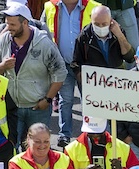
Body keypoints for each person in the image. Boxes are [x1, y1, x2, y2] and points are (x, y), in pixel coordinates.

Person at [0, 2, 65, 148]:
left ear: (25, 22)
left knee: (38, 148)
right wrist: (1, 66)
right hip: (11, 107)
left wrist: (48, 99)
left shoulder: (43, 43)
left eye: (12, 25)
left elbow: (60, 73)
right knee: (11, 146)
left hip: (37, 108)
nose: (8, 28)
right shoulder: (3, 40)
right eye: (7, 24)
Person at [41, 0, 100, 140]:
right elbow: (42, 30)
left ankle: (89, 135)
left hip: (86, 64)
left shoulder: (95, 7)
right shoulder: (50, 6)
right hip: (62, 63)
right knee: (65, 100)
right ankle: (64, 135)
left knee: (89, 101)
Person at [63, 115, 139, 169]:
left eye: (98, 132)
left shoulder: (122, 147)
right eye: (91, 132)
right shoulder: (71, 150)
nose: (95, 135)